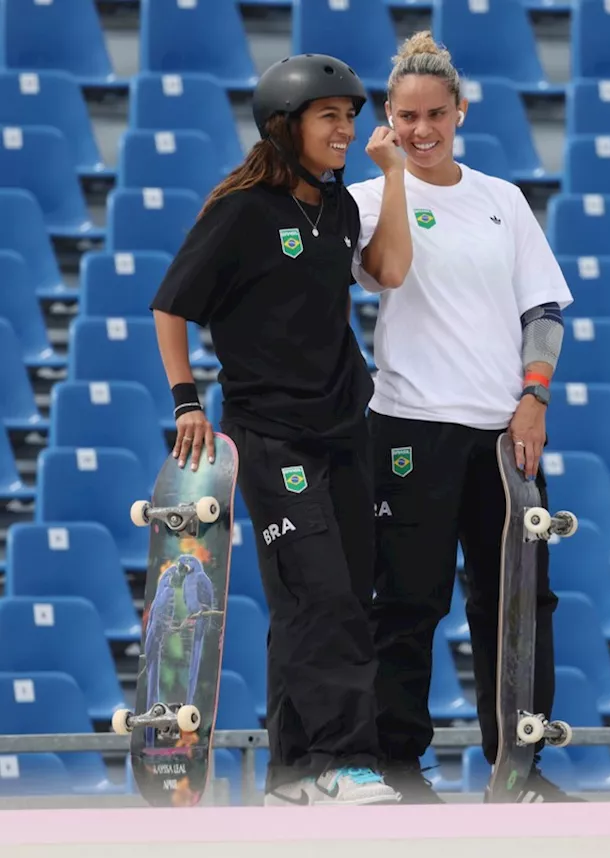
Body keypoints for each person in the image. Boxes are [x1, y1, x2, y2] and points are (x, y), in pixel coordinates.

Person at [149, 52, 414, 805]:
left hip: (344, 430)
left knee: (331, 597)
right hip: (271, 437)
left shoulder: (339, 209)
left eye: (351, 116)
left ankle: (292, 773)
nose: (346, 128)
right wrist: (186, 403)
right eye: (329, 115)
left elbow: (391, 269)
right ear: (283, 125)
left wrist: (392, 175)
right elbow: (171, 306)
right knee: (322, 595)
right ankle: (342, 759)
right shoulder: (241, 214)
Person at [345, 31, 577, 804]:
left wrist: (534, 396)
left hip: (502, 434)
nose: (421, 130)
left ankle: (518, 769)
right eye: (406, 115)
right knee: (407, 600)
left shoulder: (501, 201)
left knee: (516, 603)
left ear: (460, 111)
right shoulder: (369, 199)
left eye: (435, 114)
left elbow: (542, 308)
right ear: (386, 115)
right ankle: (399, 766)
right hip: (407, 425)